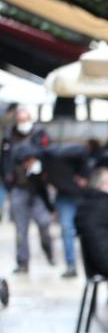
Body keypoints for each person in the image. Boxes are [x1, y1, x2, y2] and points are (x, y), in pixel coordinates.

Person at [3, 107, 54, 274]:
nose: (23, 123)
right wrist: (8, 182)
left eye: (26, 119)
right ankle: (23, 262)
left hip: (38, 189)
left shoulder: (40, 134)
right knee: (21, 229)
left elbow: (49, 154)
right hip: (18, 188)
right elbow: (5, 161)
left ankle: (48, 250)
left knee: (44, 223)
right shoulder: (9, 136)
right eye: (20, 120)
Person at [44, 142, 91, 278]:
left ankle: (89, 265)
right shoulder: (47, 161)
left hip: (79, 195)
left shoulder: (66, 157)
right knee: (67, 230)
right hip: (65, 196)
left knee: (85, 230)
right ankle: (71, 265)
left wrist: (84, 176)